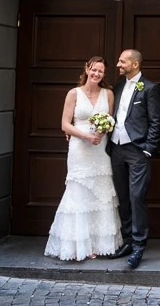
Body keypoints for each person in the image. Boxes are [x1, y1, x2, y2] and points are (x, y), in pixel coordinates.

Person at [45, 56, 123, 261]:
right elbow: (65, 124)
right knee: (79, 191)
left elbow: (111, 121)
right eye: (94, 70)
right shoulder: (74, 93)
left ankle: (99, 242)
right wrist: (87, 136)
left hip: (100, 149)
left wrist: (101, 133)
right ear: (87, 70)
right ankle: (78, 245)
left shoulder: (108, 94)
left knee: (100, 192)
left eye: (101, 72)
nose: (97, 74)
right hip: (80, 148)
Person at [108, 49, 160, 269]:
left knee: (137, 195)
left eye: (122, 61)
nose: (118, 64)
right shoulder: (119, 86)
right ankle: (128, 240)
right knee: (122, 195)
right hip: (116, 148)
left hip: (138, 150)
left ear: (135, 64)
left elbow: (156, 121)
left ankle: (139, 245)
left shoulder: (150, 88)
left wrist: (148, 149)